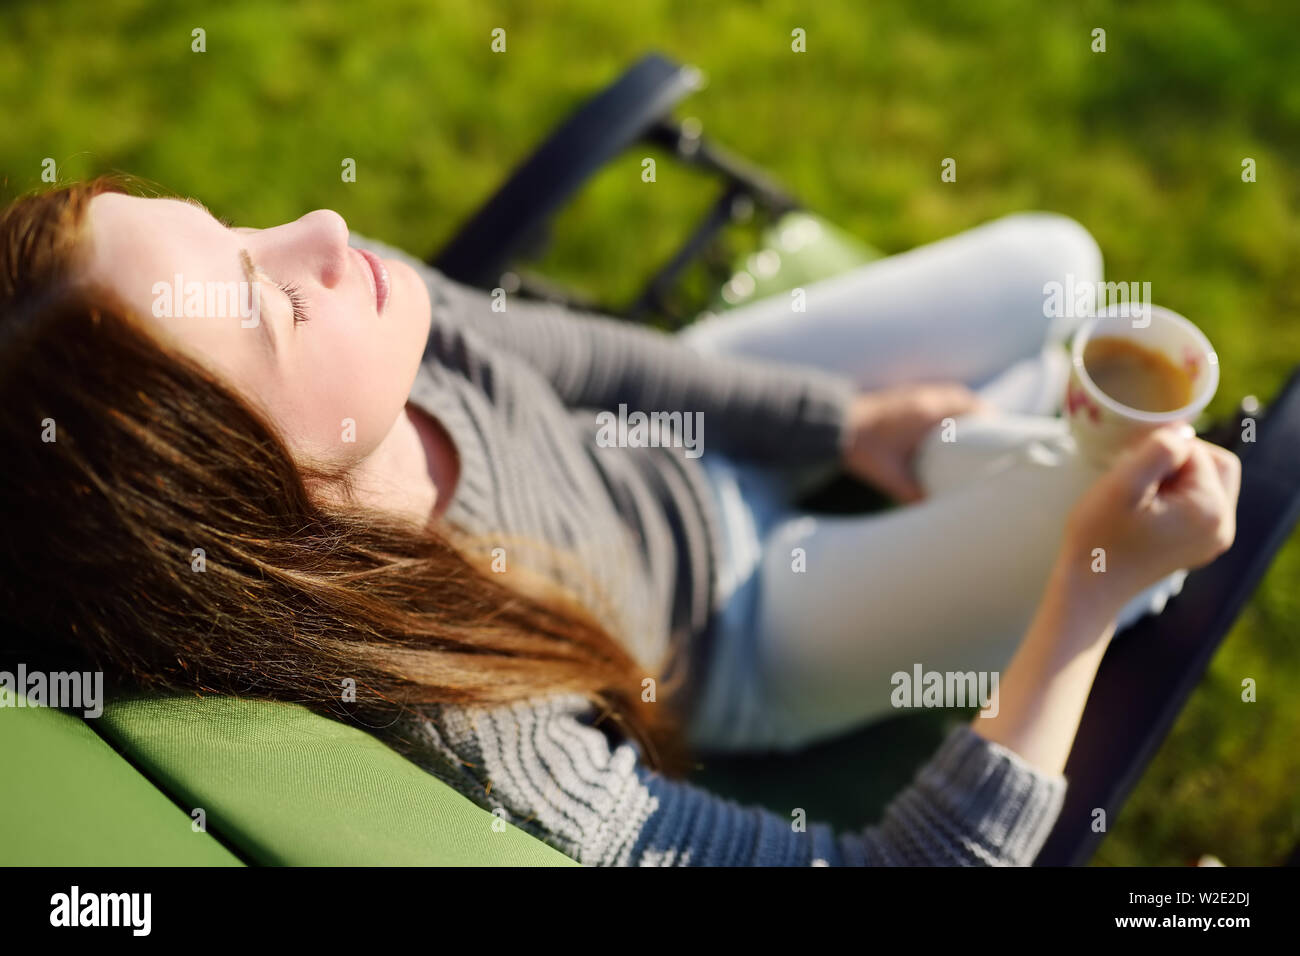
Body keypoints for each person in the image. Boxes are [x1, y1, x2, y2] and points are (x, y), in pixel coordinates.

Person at [0, 178, 1239, 865]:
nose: (319, 235)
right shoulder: (474, 721)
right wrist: (1082, 592)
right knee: (1128, 534)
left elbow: (580, 354)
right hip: (752, 623)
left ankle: (1007, 456)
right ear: (250, 505)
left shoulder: (369, 316)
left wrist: (838, 420)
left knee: (1058, 260)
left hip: (667, 454)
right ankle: (1051, 495)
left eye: (232, 225)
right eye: (266, 306)